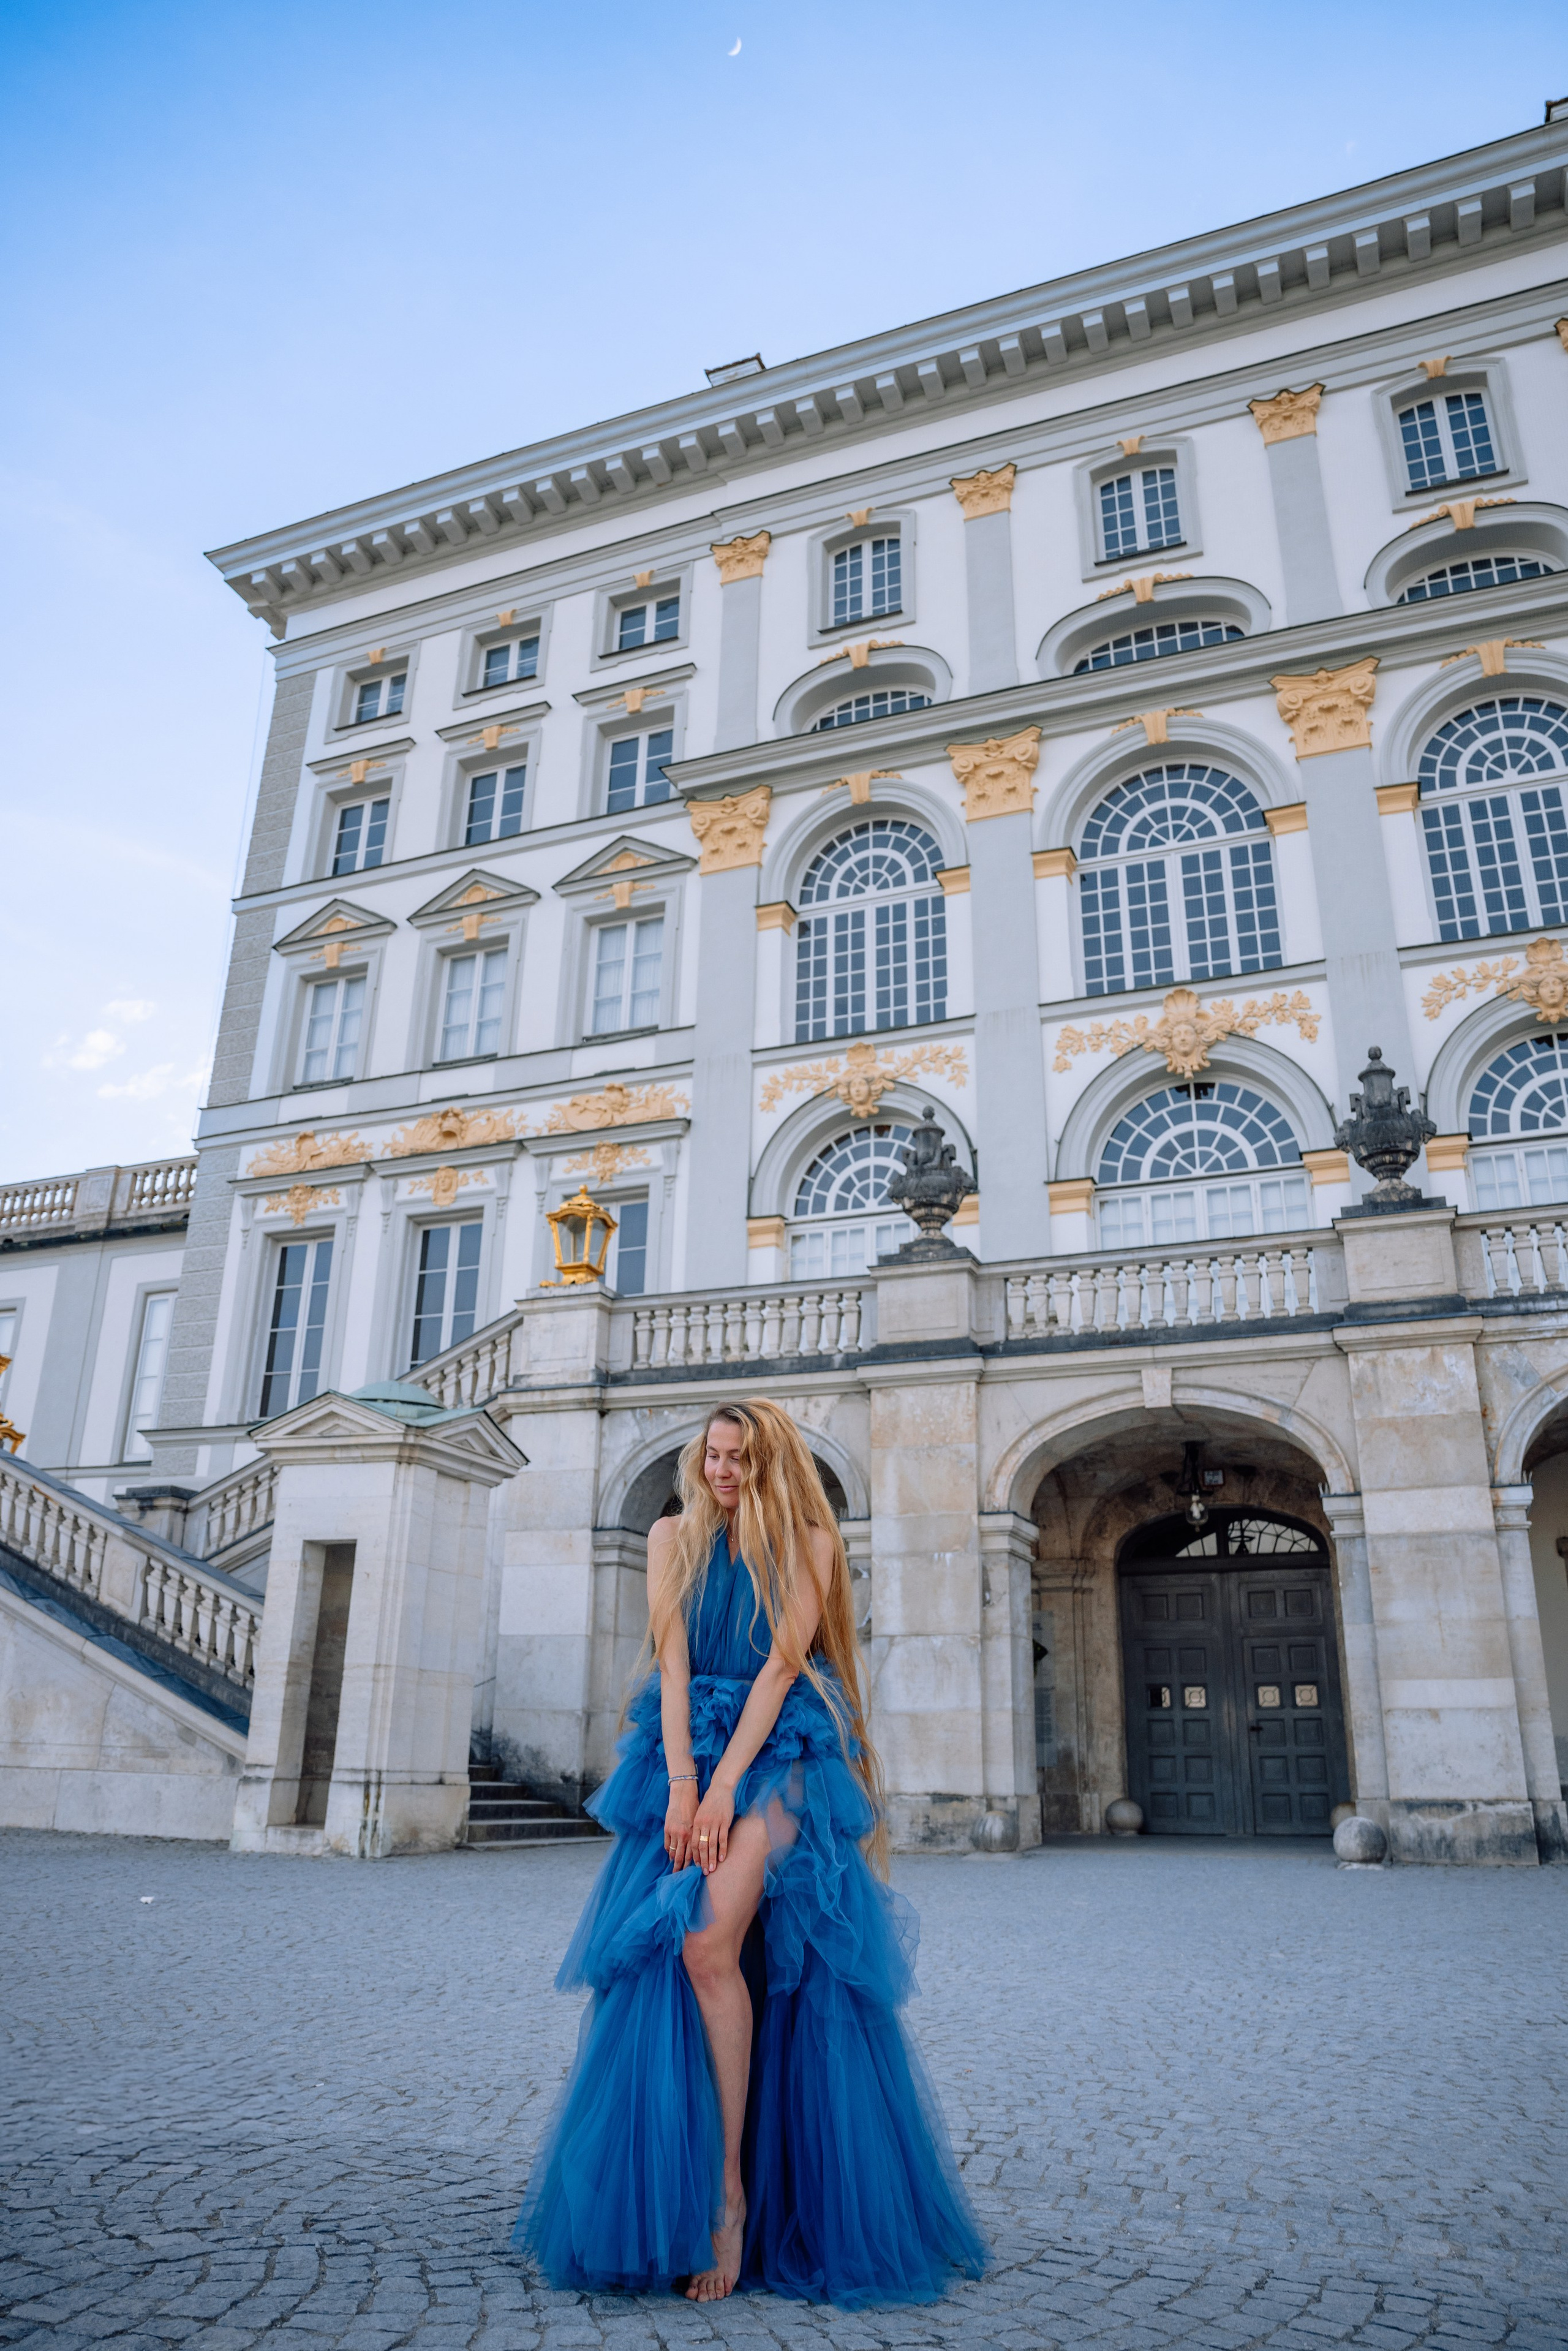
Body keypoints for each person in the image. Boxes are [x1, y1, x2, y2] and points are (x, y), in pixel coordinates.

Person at [513, 1398, 987, 2306]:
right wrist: (683, 1782)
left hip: (781, 1757)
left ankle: (729, 2200)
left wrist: (727, 1787)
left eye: (739, 1458)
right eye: (713, 1455)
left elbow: (779, 1668)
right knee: (673, 1953)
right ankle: (693, 2182)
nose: (722, 1471)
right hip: (687, 1748)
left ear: (771, 1464)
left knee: (705, 1941)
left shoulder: (810, 1544)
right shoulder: (670, 1538)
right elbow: (673, 1666)